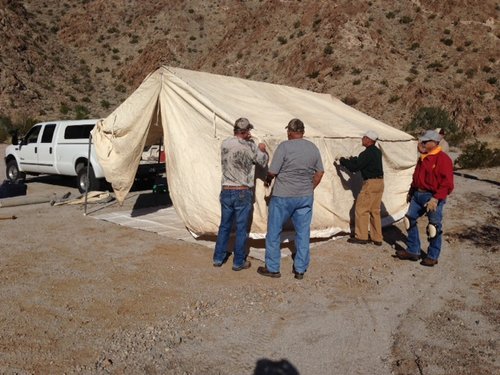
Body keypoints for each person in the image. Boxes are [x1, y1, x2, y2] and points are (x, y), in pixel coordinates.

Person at [257, 118, 324, 279]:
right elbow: (320, 173)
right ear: (303, 132)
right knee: (302, 232)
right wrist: (309, 188)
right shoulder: (313, 148)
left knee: (274, 231)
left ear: (289, 132)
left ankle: (273, 268)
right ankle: (300, 269)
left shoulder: (284, 147)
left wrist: (266, 178)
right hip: (305, 196)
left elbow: (273, 171)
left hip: (283, 196)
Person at [213, 118, 269, 271]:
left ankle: (218, 258)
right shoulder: (250, 146)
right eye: (248, 131)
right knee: (241, 228)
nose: (250, 133)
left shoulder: (225, 143)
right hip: (242, 191)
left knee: (224, 226)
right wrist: (261, 149)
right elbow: (262, 162)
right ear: (244, 132)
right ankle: (238, 262)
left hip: (226, 190)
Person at [396, 130, 454, 267]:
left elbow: (447, 184)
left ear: (434, 143)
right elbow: (417, 177)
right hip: (417, 194)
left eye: (425, 141)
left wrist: (436, 199)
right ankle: (413, 250)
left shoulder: (443, 159)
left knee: (434, 226)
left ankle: (432, 256)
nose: (422, 143)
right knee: (409, 219)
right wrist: (411, 191)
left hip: (432, 196)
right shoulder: (423, 157)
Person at [337, 130, 384, 246]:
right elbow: (361, 162)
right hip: (379, 182)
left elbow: (355, 167)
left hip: (370, 183)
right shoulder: (377, 152)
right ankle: (377, 237)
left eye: (363, 138)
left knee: (361, 209)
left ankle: (362, 236)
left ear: (368, 140)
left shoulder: (367, 153)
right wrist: (351, 159)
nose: (362, 139)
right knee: (375, 211)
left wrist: (342, 161)